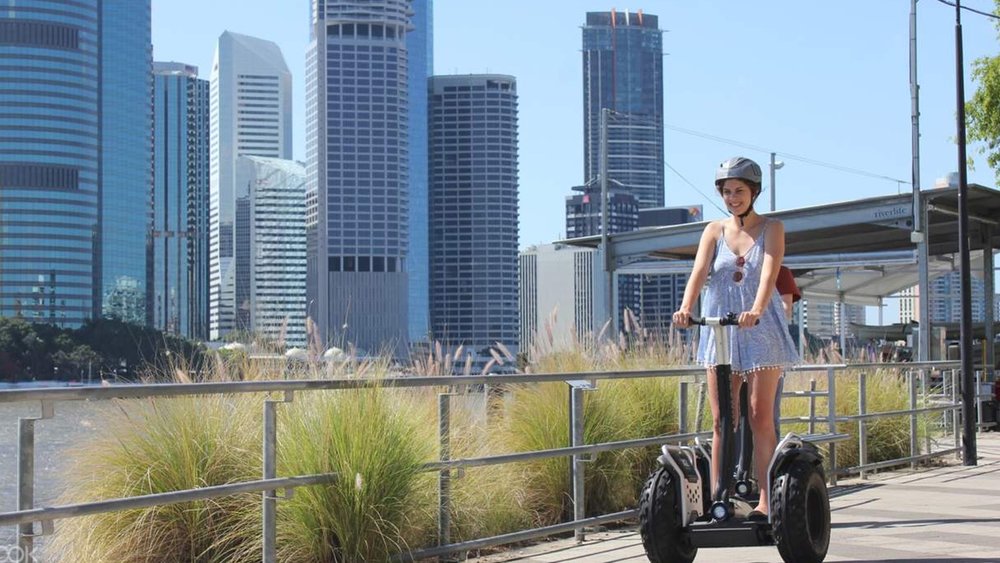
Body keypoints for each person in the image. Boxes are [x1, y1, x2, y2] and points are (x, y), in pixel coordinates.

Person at [672, 156, 799, 519]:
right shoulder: (713, 230)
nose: (732, 198)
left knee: (760, 416)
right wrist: (685, 307)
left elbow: (769, 273)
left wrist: (757, 310)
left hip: (761, 330)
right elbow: (699, 271)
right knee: (722, 417)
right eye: (727, 192)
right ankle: (718, 499)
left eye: (739, 191)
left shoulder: (772, 228)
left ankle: (766, 500)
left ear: (754, 192)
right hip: (720, 330)